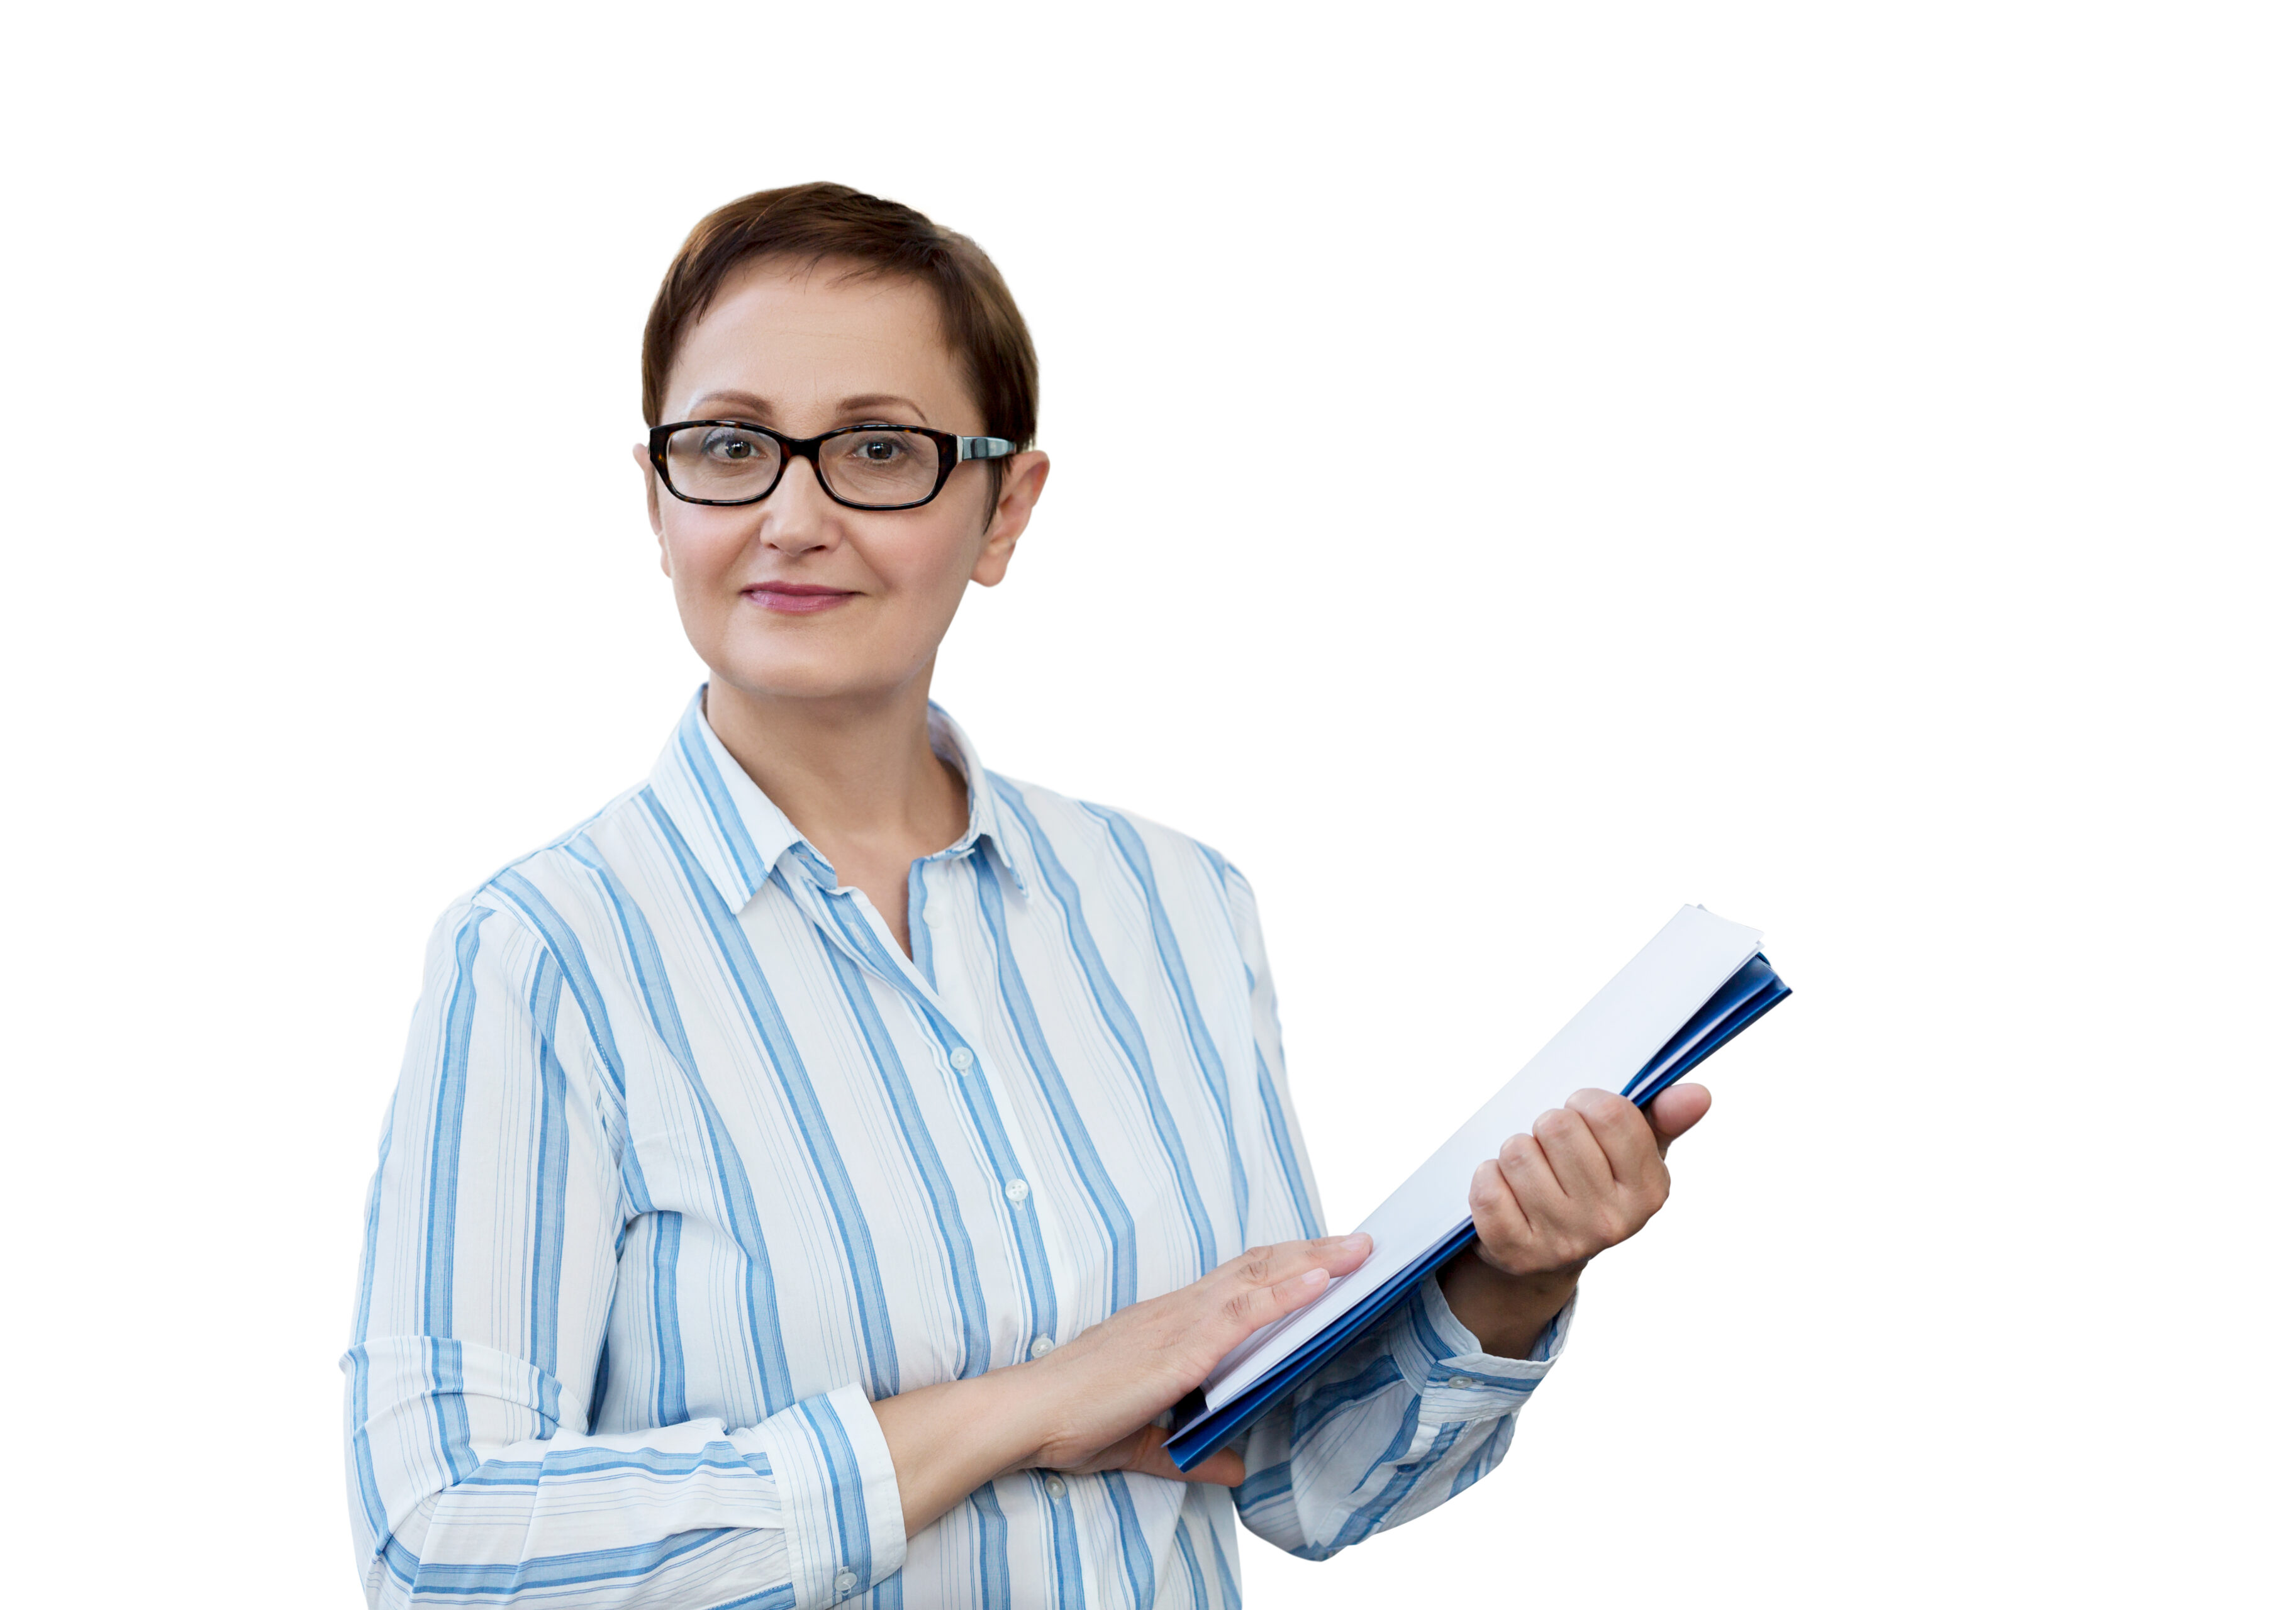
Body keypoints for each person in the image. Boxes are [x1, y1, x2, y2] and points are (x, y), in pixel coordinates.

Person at [342, 182, 1713, 1609]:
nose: (792, 515)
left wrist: (1511, 1278)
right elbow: (439, 1545)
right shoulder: (545, 954)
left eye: (879, 449)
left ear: (1004, 507)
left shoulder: (1177, 909)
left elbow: (1290, 1465)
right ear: (658, 496)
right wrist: (1029, 1401)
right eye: (732, 447)